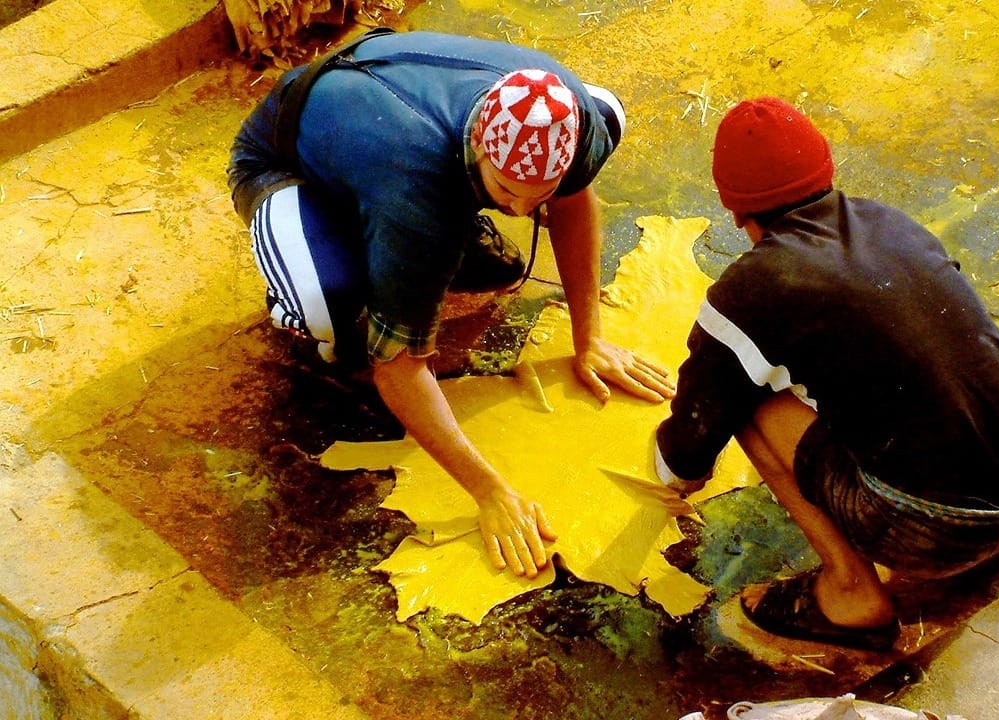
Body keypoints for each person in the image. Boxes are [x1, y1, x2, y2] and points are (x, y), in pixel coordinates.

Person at [227, 29, 676, 579]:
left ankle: (423, 235)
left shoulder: (572, 115)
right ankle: (329, 262)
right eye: (506, 192)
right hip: (286, 156)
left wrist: (591, 338)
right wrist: (490, 493)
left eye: (537, 197)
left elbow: (574, 196)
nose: (521, 208)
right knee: (333, 308)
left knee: (594, 123)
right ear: (480, 147)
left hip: (391, 121)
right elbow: (398, 369)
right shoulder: (416, 186)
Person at [652, 98, 999, 651]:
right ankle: (970, 552)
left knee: (746, 398)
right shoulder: (893, 223)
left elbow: (688, 449)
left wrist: (672, 475)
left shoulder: (754, 288)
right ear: (826, 170)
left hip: (938, 531)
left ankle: (850, 591)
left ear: (734, 211)